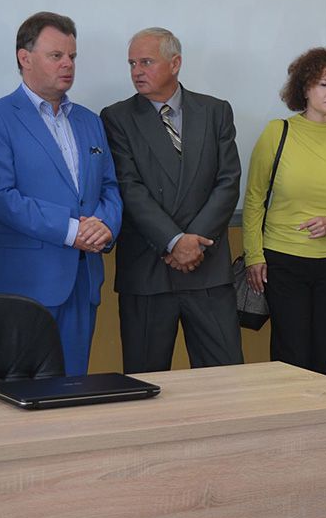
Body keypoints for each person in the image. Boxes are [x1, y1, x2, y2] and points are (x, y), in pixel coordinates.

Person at [0, 11, 122, 376]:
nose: (68, 64)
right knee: (17, 394)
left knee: (71, 390)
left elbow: (110, 187)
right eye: (57, 55)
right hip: (21, 287)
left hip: (82, 283)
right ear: (25, 58)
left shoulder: (89, 121)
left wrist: (104, 226)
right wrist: (72, 231)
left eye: (72, 56)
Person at [100, 27, 244, 373]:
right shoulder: (116, 118)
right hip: (148, 270)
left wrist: (193, 242)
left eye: (146, 62)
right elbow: (129, 187)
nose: (137, 71)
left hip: (207, 267)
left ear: (175, 63)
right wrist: (174, 241)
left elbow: (228, 182)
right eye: (132, 63)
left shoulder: (215, 111)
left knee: (226, 380)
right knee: (147, 382)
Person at [242, 48, 326, 375]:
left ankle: (318, 411)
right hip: (283, 260)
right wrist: (254, 255)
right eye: (324, 84)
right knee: (291, 356)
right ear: (305, 88)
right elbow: (254, 199)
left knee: (322, 356)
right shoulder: (277, 132)